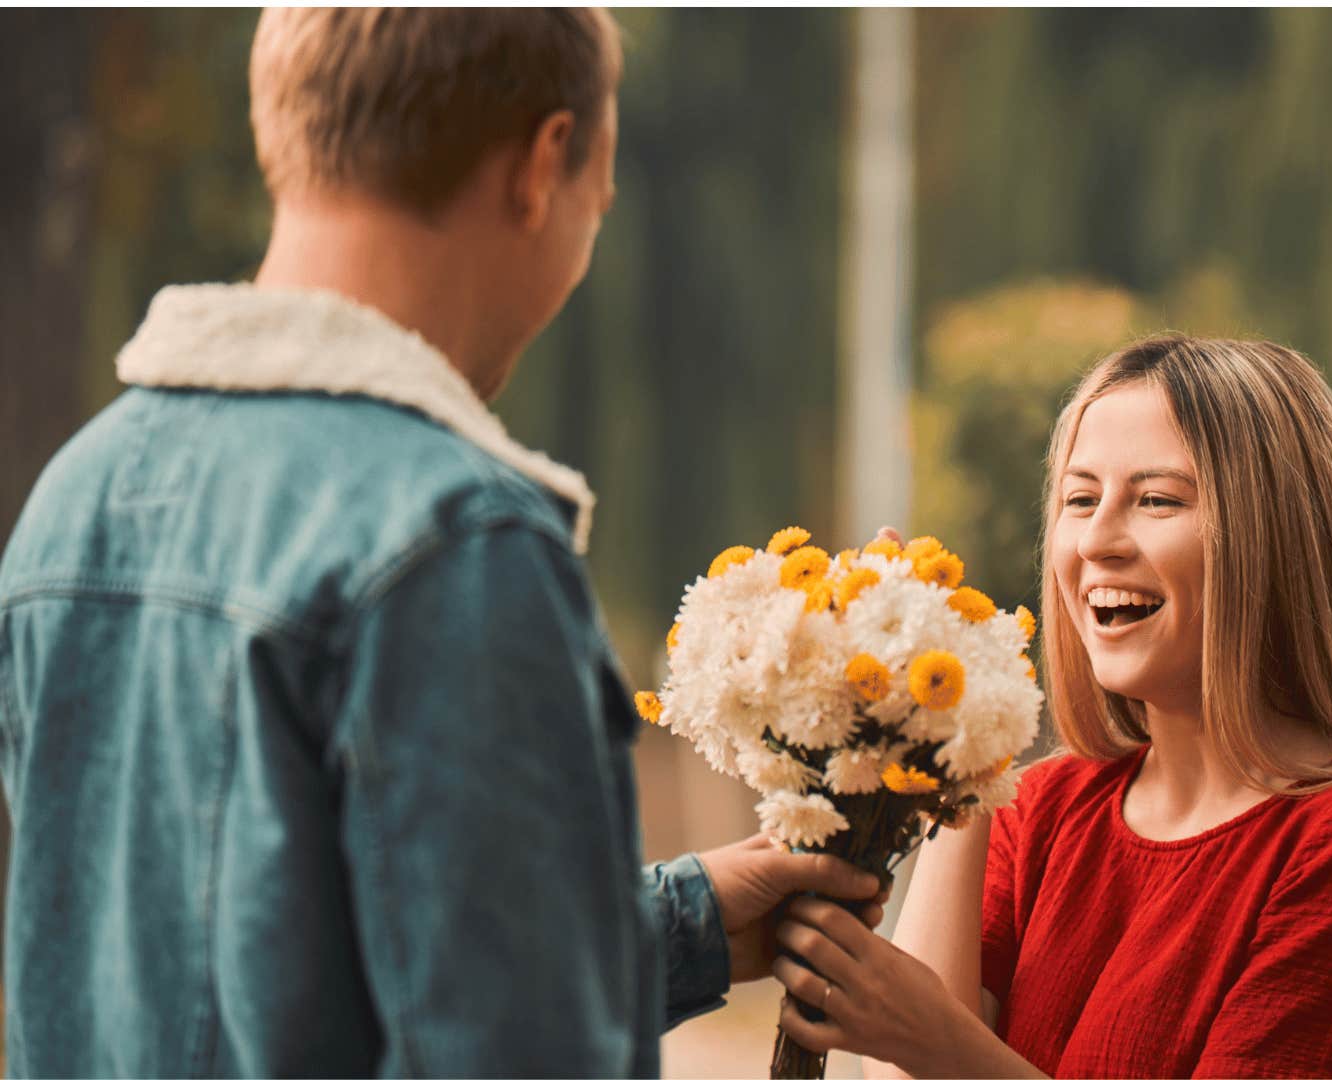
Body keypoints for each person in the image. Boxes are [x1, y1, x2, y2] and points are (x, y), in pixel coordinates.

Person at [0, 9, 879, 1076]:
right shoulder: (455, 545)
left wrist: (677, 927)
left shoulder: (75, 505)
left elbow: (259, 972)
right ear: (544, 163)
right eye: (596, 200)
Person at [767, 335, 1332, 1077]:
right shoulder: (1035, 810)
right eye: (1080, 498)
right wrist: (955, 743)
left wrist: (947, 1047)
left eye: (1157, 500)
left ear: (1274, 538)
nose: (1097, 540)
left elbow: (932, 1049)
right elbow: (905, 1074)